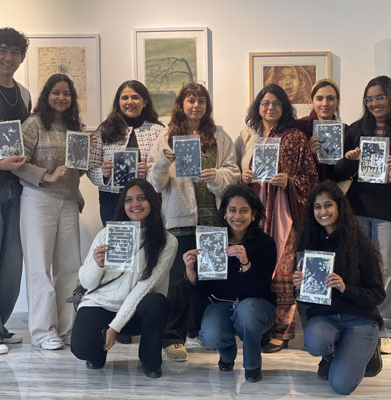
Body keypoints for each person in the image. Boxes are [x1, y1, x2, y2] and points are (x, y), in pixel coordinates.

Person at [148, 82, 240, 361]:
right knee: (180, 280)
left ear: (207, 106)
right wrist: (163, 162)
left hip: (213, 220)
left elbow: (234, 172)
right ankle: (173, 337)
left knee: (208, 279)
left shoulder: (219, 135)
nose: (196, 105)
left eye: (201, 101)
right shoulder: (167, 137)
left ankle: (198, 330)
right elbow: (154, 183)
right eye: (190, 100)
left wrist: (218, 176)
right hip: (179, 220)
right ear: (181, 104)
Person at [235, 83, 318, 352]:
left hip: (284, 214)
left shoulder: (294, 137)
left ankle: (282, 331)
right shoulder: (249, 136)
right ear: (258, 106)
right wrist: (243, 177)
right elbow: (236, 170)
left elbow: (311, 178)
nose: (270, 108)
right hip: (254, 214)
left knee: (283, 271)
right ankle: (258, 325)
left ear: (284, 107)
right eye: (265, 103)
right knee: (256, 267)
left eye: (276, 103)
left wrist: (289, 181)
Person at [71, 179, 177, 378]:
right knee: (82, 349)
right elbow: (87, 283)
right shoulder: (106, 234)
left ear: (152, 202)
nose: (135, 204)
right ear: (123, 205)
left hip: (138, 310)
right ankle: (97, 352)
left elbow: (145, 286)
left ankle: (150, 361)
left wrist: (115, 327)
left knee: (157, 302)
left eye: (141, 198)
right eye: (129, 200)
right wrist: (97, 265)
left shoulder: (167, 241)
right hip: (101, 304)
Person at [13, 73, 89, 350]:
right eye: (56, 92)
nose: (61, 97)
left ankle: (67, 329)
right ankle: (43, 331)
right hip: (38, 200)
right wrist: (46, 175)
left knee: (70, 268)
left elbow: (79, 170)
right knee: (39, 267)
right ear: (46, 95)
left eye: (66, 93)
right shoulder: (33, 124)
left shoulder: (75, 128)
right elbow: (16, 162)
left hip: (69, 201)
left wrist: (90, 158)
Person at [293, 181, 385, 395]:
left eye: (328, 205)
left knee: (341, 386)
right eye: (317, 207)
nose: (323, 211)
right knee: (315, 342)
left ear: (339, 207)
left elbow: (377, 294)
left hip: (360, 320)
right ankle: (332, 355)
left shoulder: (360, 245)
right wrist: (299, 286)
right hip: (325, 319)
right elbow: (305, 300)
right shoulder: (309, 244)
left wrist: (345, 288)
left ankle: (369, 350)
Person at [184, 184, 276, 382]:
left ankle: (252, 364)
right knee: (210, 335)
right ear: (224, 213)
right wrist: (191, 270)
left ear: (253, 214)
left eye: (244, 210)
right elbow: (203, 290)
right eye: (232, 210)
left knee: (247, 311)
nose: (237, 216)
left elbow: (259, 290)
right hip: (221, 304)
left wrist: (246, 263)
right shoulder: (213, 240)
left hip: (256, 306)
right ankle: (227, 353)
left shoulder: (265, 243)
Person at [333, 75, 391, 354]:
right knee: (354, 265)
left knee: (384, 269)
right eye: (369, 98)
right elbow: (337, 172)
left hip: (387, 212)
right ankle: (359, 319)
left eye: (380, 97)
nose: (374, 103)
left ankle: (385, 326)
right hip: (356, 208)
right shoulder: (356, 129)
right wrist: (350, 159)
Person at [0, 27, 31, 355]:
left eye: (15, 52)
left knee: (11, 263)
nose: (8, 57)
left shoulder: (25, 95)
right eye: (2, 50)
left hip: (17, 188)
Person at [88, 80, 164, 226]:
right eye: (124, 98)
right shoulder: (105, 129)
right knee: (118, 239)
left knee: (148, 238)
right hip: (112, 200)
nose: (130, 102)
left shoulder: (158, 131)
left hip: (148, 201)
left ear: (145, 102)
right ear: (118, 102)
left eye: (135, 97)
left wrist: (149, 171)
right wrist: (103, 174)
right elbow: (91, 167)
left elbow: (166, 167)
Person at [295, 79, 343, 181]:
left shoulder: (345, 131)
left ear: (338, 102)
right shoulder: (299, 128)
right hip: (306, 188)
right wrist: (308, 152)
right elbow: (291, 167)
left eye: (330, 98)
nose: (325, 103)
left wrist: (348, 158)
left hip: (334, 188)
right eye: (319, 98)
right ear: (312, 102)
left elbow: (344, 171)